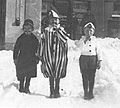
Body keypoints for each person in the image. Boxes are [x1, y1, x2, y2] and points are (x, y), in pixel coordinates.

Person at [39, 10, 68, 98]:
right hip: (49, 56)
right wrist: (41, 54)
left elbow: (64, 40)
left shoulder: (61, 30)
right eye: (52, 20)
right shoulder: (46, 31)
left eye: (56, 20)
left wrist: (58, 30)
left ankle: (57, 90)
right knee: (50, 72)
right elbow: (42, 43)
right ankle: (52, 91)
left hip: (59, 56)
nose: (54, 22)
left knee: (58, 73)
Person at [75, 22, 102, 100]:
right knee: (85, 76)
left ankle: (91, 92)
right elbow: (79, 49)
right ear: (84, 31)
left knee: (92, 76)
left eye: (91, 31)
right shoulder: (81, 40)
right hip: (84, 59)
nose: (89, 33)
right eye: (87, 31)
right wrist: (85, 41)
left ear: (93, 32)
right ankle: (85, 93)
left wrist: (99, 60)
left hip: (92, 59)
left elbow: (99, 51)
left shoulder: (96, 41)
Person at [13, 19, 39, 93]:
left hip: (31, 59)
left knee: (29, 74)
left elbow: (38, 49)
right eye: (25, 29)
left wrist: (37, 57)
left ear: (32, 29)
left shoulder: (34, 39)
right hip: (22, 58)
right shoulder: (21, 38)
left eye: (29, 29)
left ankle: (27, 87)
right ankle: (21, 86)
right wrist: (15, 58)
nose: (27, 31)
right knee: (22, 73)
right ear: (23, 29)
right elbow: (16, 48)